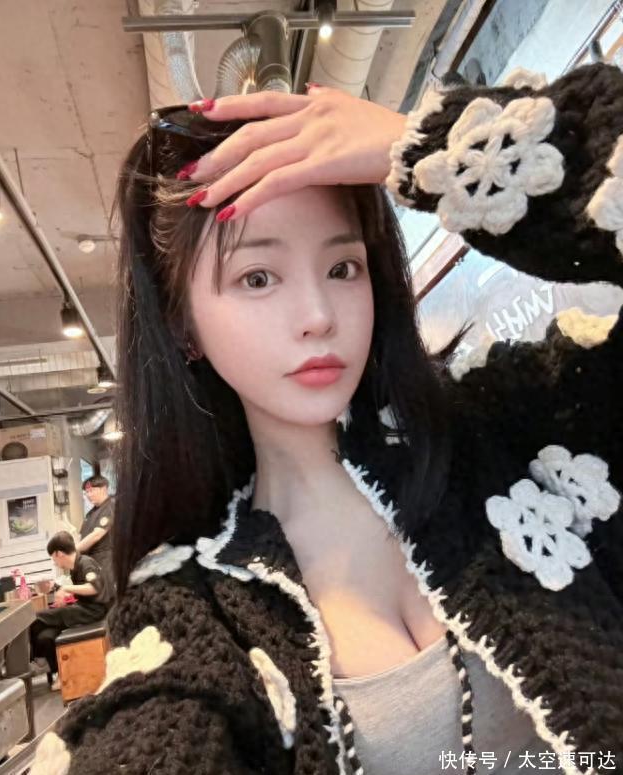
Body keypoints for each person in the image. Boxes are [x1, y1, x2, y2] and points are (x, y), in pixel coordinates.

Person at [30, 63, 623, 774]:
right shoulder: (193, 607)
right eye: (257, 277)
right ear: (183, 325)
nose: (317, 316)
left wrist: (433, 146)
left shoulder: (515, 433)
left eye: (343, 268)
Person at [30, 531, 111, 691]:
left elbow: (94, 588)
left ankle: (36, 661)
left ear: (58, 554)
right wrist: (56, 587)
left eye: (53, 558)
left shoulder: (85, 563)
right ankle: (55, 670)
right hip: (84, 609)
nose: (54, 562)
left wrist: (66, 588)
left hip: (93, 611)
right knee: (45, 636)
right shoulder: (76, 567)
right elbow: (80, 589)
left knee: (36, 618)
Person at [78, 474, 115, 589]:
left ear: (103, 488)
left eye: (92, 491)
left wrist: (74, 550)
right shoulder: (91, 513)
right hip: (93, 562)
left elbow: (97, 535)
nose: (89, 495)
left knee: (106, 593)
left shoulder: (110, 507)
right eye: (86, 492)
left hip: (106, 561)